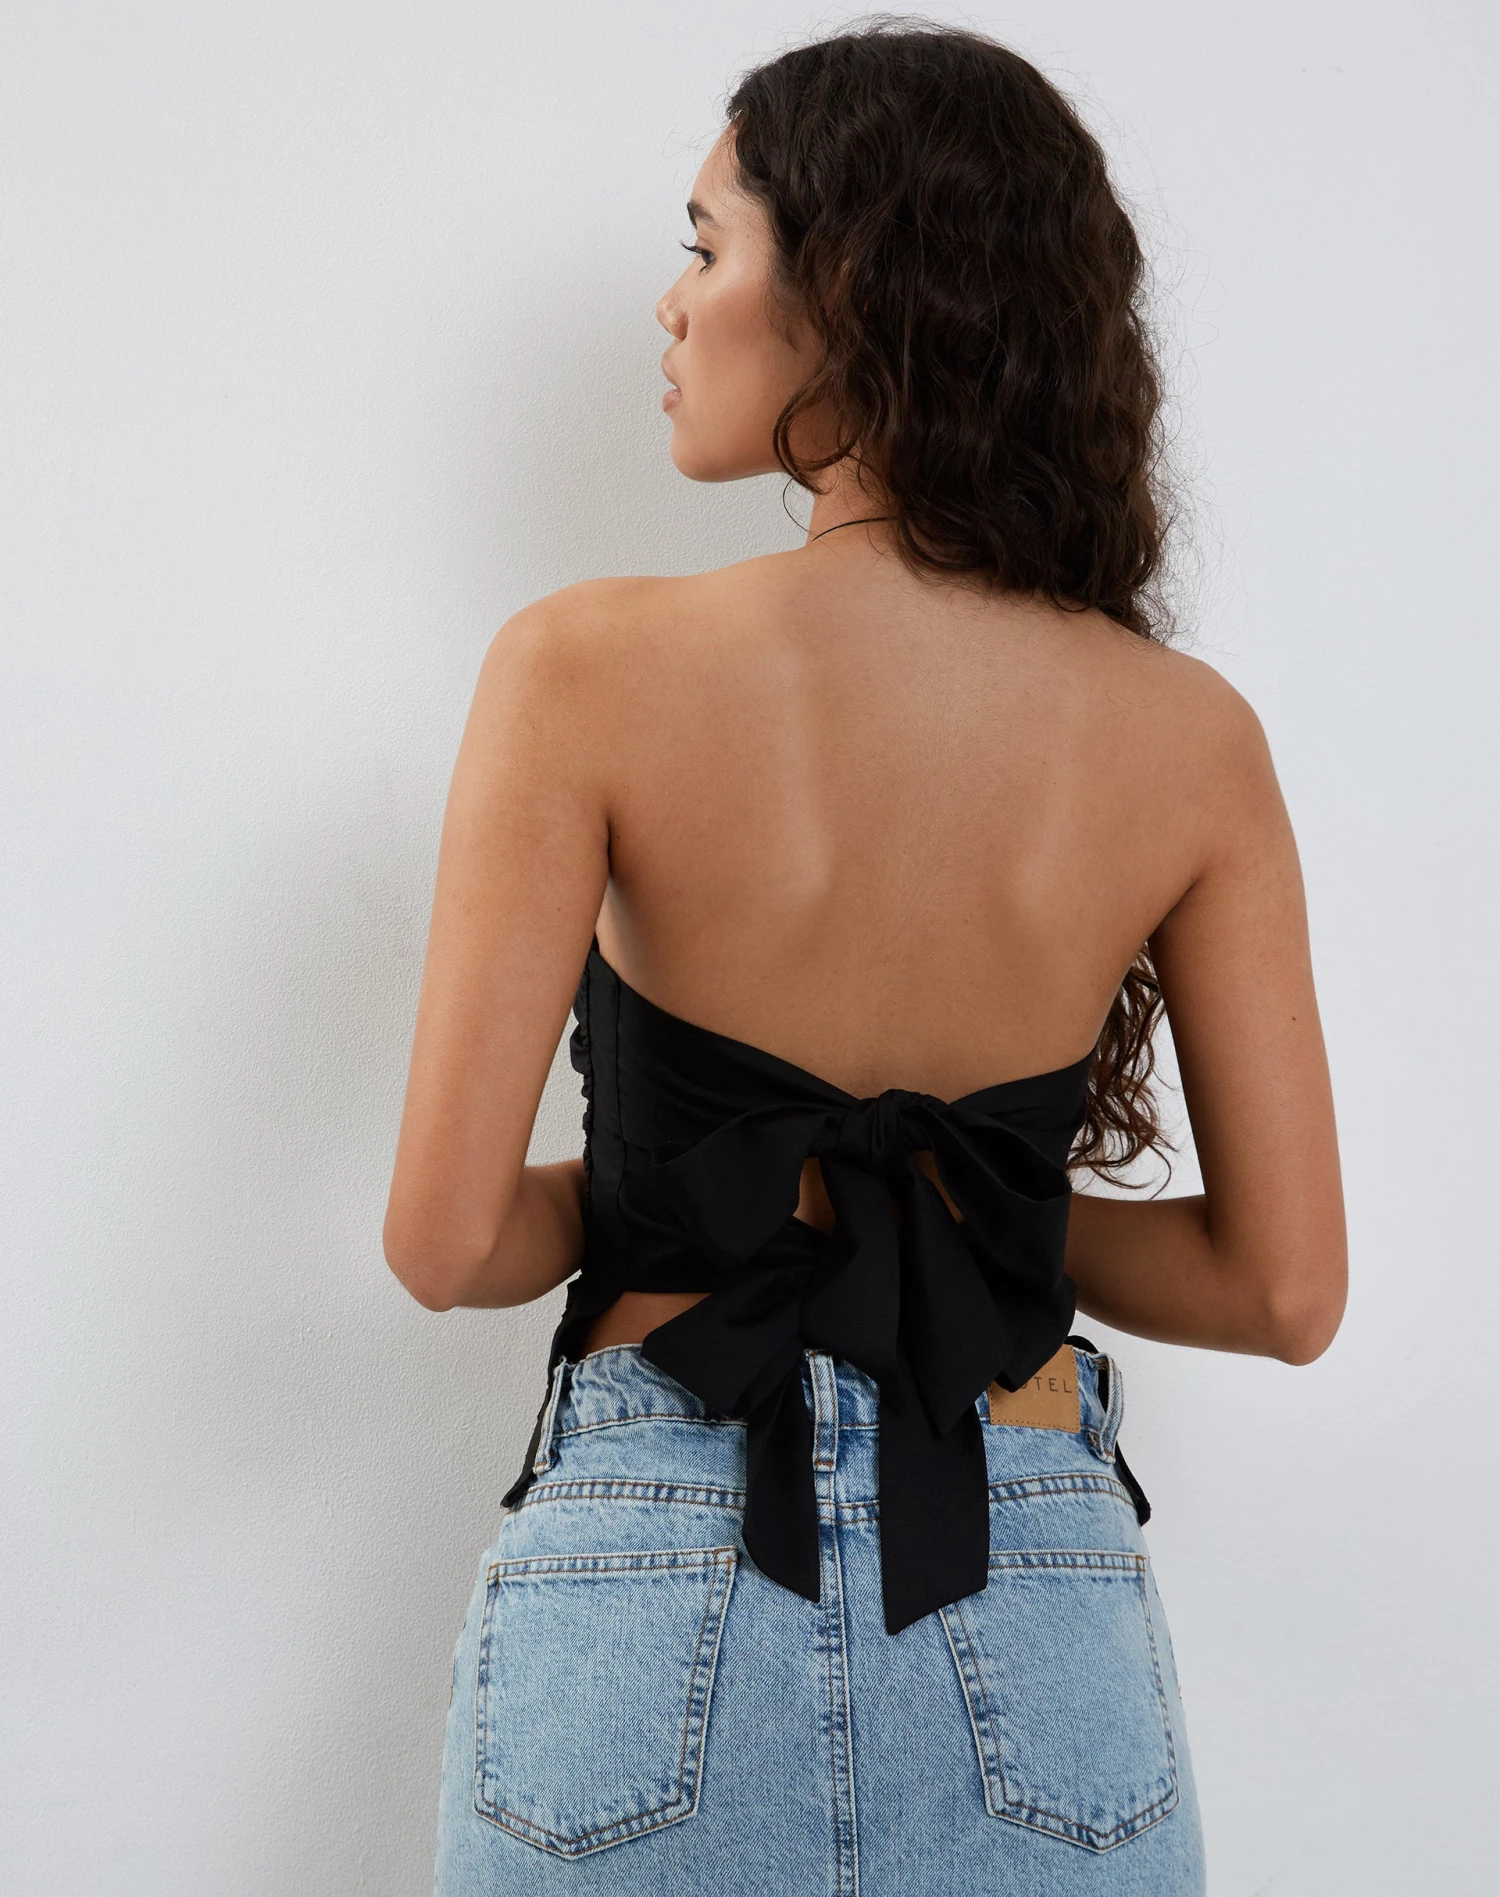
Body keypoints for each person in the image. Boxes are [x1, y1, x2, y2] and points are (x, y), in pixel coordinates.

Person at [384, 23, 1346, 1895]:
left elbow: (444, 1242)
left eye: (706, 244)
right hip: (1026, 1575)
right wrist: (958, 1214)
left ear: (846, 288)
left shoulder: (578, 669)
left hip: (653, 1562)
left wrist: (688, 1193)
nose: (672, 304)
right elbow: (1282, 1288)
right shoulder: (1187, 737)